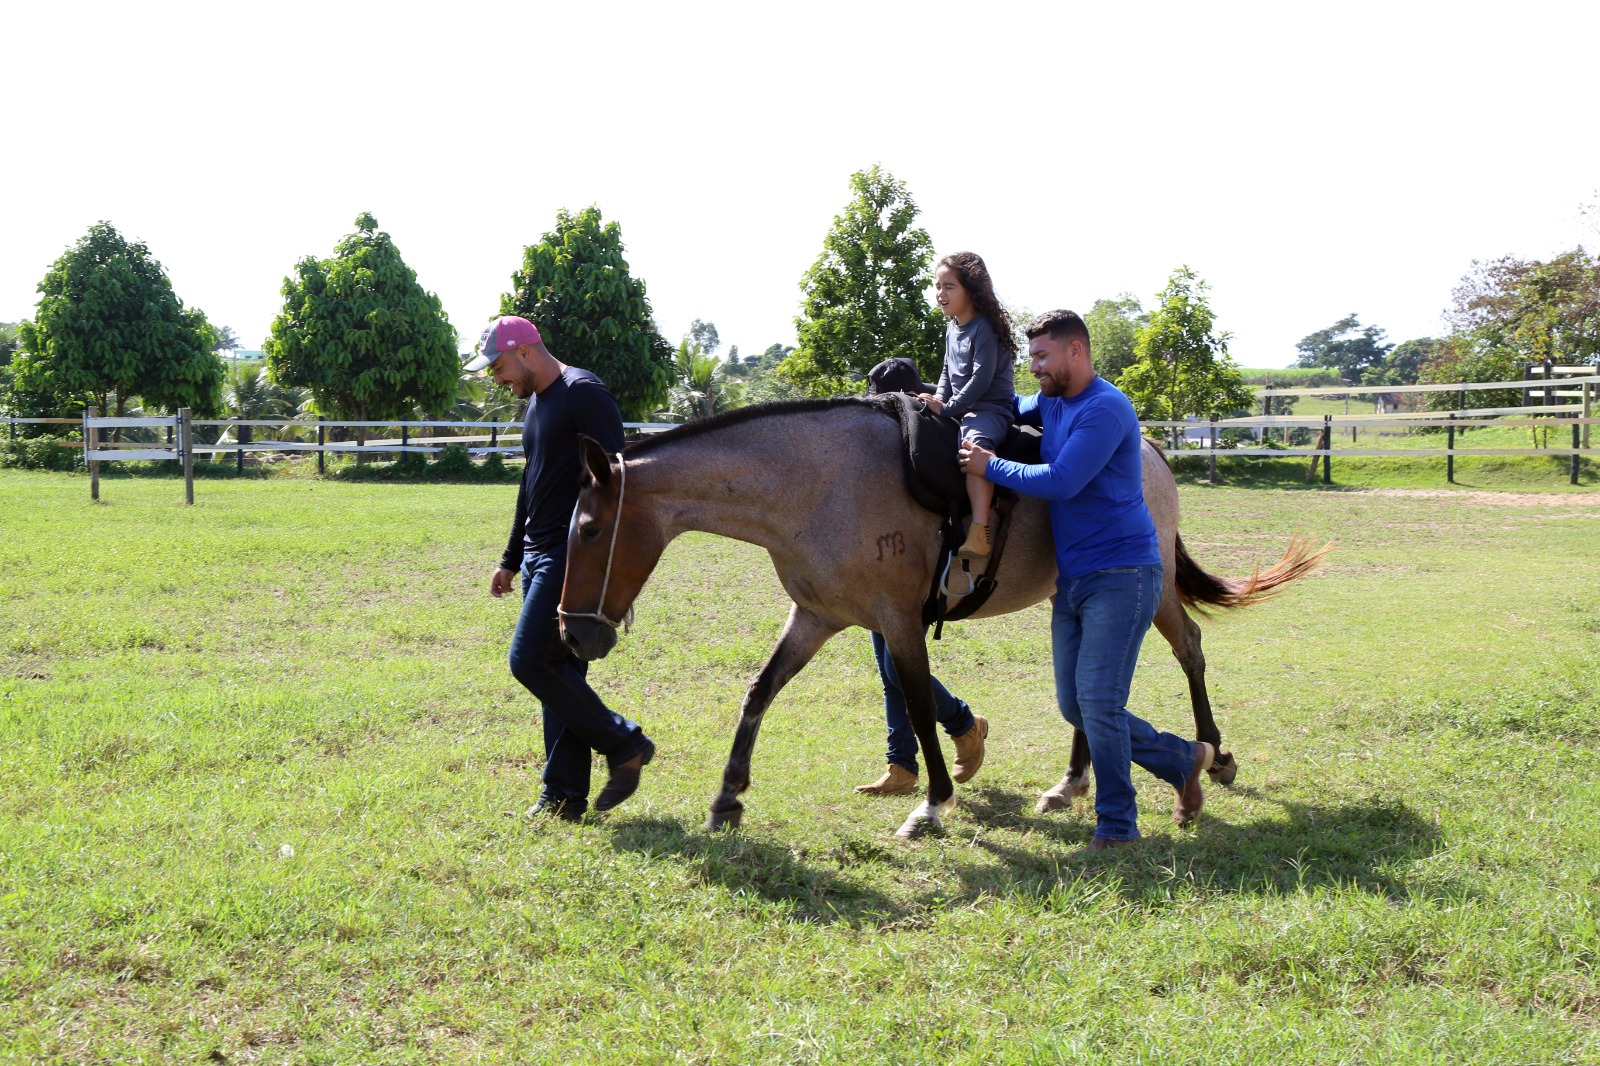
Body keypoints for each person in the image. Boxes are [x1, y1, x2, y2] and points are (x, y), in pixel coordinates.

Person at [958, 309, 1213, 849]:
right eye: (1031, 358)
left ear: (1077, 351)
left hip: (1123, 575)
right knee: (1077, 706)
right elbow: (1009, 408)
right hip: (1072, 581)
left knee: (1097, 701)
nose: (1035, 368)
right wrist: (948, 403)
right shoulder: (1052, 400)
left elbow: (1064, 480)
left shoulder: (1106, 409)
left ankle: (1118, 825)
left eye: (1043, 356)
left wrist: (988, 465)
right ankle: (1184, 759)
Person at [467, 315, 656, 821]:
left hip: (572, 553)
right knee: (561, 672)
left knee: (530, 661)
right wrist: (512, 557)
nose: (497, 378)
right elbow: (531, 481)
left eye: (499, 366)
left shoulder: (584, 393)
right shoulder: (535, 401)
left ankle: (625, 742)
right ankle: (563, 797)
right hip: (537, 552)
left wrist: (606, 560)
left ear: (525, 351)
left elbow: (615, 483)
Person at [854, 358, 989, 795]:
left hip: (918, 568)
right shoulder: (888, 438)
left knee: (898, 668)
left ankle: (964, 724)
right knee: (890, 672)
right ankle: (902, 766)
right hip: (881, 562)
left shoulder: (928, 434)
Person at [919, 252, 1017, 562]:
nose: (940, 293)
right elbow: (947, 373)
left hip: (989, 409)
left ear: (970, 290)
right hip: (962, 405)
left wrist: (947, 410)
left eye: (949, 286)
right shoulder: (952, 327)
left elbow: (980, 380)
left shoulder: (983, 328)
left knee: (972, 445)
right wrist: (938, 400)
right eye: (937, 286)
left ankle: (979, 529)